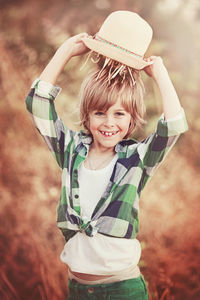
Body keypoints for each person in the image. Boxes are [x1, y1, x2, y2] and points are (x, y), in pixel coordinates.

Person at [26, 11, 188, 300]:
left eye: (119, 113)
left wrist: (159, 72)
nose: (109, 122)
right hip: (77, 288)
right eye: (99, 113)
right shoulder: (71, 150)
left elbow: (173, 124)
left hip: (123, 289)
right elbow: (39, 105)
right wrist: (66, 51)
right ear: (87, 116)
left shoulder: (136, 160)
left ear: (131, 118)